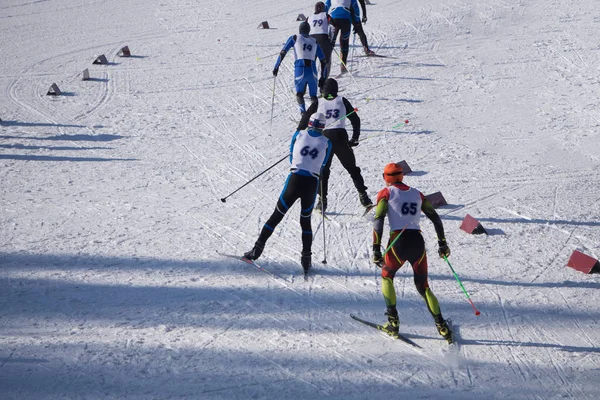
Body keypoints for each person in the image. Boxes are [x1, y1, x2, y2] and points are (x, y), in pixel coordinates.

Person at [371, 162, 453, 343]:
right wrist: (442, 244)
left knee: (387, 276)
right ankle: (442, 327)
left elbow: (379, 220)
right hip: (417, 243)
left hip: (397, 242)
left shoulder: (386, 193)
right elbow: (435, 218)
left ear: (386, 178)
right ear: (402, 176)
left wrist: (376, 248)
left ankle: (393, 322)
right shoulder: (417, 194)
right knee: (423, 287)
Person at [244, 113, 332, 273]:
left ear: (310, 123)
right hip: (311, 183)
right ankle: (306, 260)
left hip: (295, 179)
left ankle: (255, 251)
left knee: (276, 216)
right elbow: (324, 164)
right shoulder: (327, 142)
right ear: (323, 127)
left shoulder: (299, 134)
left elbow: (291, 157)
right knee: (305, 222)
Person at [297, 78, 372, 212]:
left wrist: (299, 134)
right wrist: (355, 138)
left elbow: (305, 118)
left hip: (324, 138)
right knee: (352, 169)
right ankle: (364, 197)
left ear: (323, 90)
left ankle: (322, 201)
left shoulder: (318, 102)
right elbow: (355, 119)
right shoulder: (342, 100)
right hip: (340, 137)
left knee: (323, 171)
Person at [273, 21, 329, 115]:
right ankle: (313, 116)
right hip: (312, 70)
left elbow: (283, 52)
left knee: (299, 93)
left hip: (300, 68)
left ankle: (303, 114)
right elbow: (323, 61)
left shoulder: (294, 38)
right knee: (313, 96)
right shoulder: (314, 41)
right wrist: (323, 78)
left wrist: (276, 67)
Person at [325, 0, 361, 74]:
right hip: (346, 19)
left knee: (330, 43)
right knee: (344, 41)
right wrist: (357, 21)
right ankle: (343, 65)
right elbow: (356, 8)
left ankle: (325, 66)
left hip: (334, 18)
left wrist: (323, 17)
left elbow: (326, 6)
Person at [308, 2, 333, 82]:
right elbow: (334, 25)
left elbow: (304, 27)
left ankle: (310, 82)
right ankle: (323, 83)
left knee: (312, 62)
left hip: (311, 40)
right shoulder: (326, 15)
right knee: (325, 62)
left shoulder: (309, 17)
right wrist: (331, 39)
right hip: (323, 39)